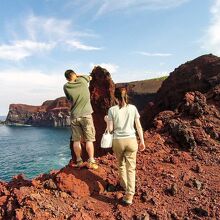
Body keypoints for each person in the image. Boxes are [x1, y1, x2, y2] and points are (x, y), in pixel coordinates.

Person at [105, 87, 145, 205]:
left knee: (121, 164)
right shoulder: (133, 108)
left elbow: (110, 130)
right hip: (132, 141)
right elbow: (138, 126)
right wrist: (142, 140)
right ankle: (129, 196)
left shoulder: (112, 110)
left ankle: (124, 184)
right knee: (131, 168)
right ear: (126, 96)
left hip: (118, 141)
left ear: (115, 97)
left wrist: (107, 120)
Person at [63, 69, 98, 169]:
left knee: (76, 140)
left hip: (74, 115)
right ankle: (91, 160)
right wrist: (78, 75)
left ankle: (78, 160)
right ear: (74, 75)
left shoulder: (66, 86)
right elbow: (89, 77)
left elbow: (69, 98)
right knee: (89, 139)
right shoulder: (82, 80)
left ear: (66, 78)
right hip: (86, 114)